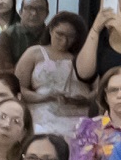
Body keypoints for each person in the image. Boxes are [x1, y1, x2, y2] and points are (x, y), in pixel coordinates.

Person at [14, 10, 89, 141]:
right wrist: (44, 97)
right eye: (60, 34)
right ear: (51, 30)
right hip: (43, 115)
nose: (64, 41)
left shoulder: (81, 57)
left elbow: (98, 88)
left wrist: (84, 99)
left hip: (77, 115)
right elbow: (18, 88)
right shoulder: (35, 52)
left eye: (70, 36)